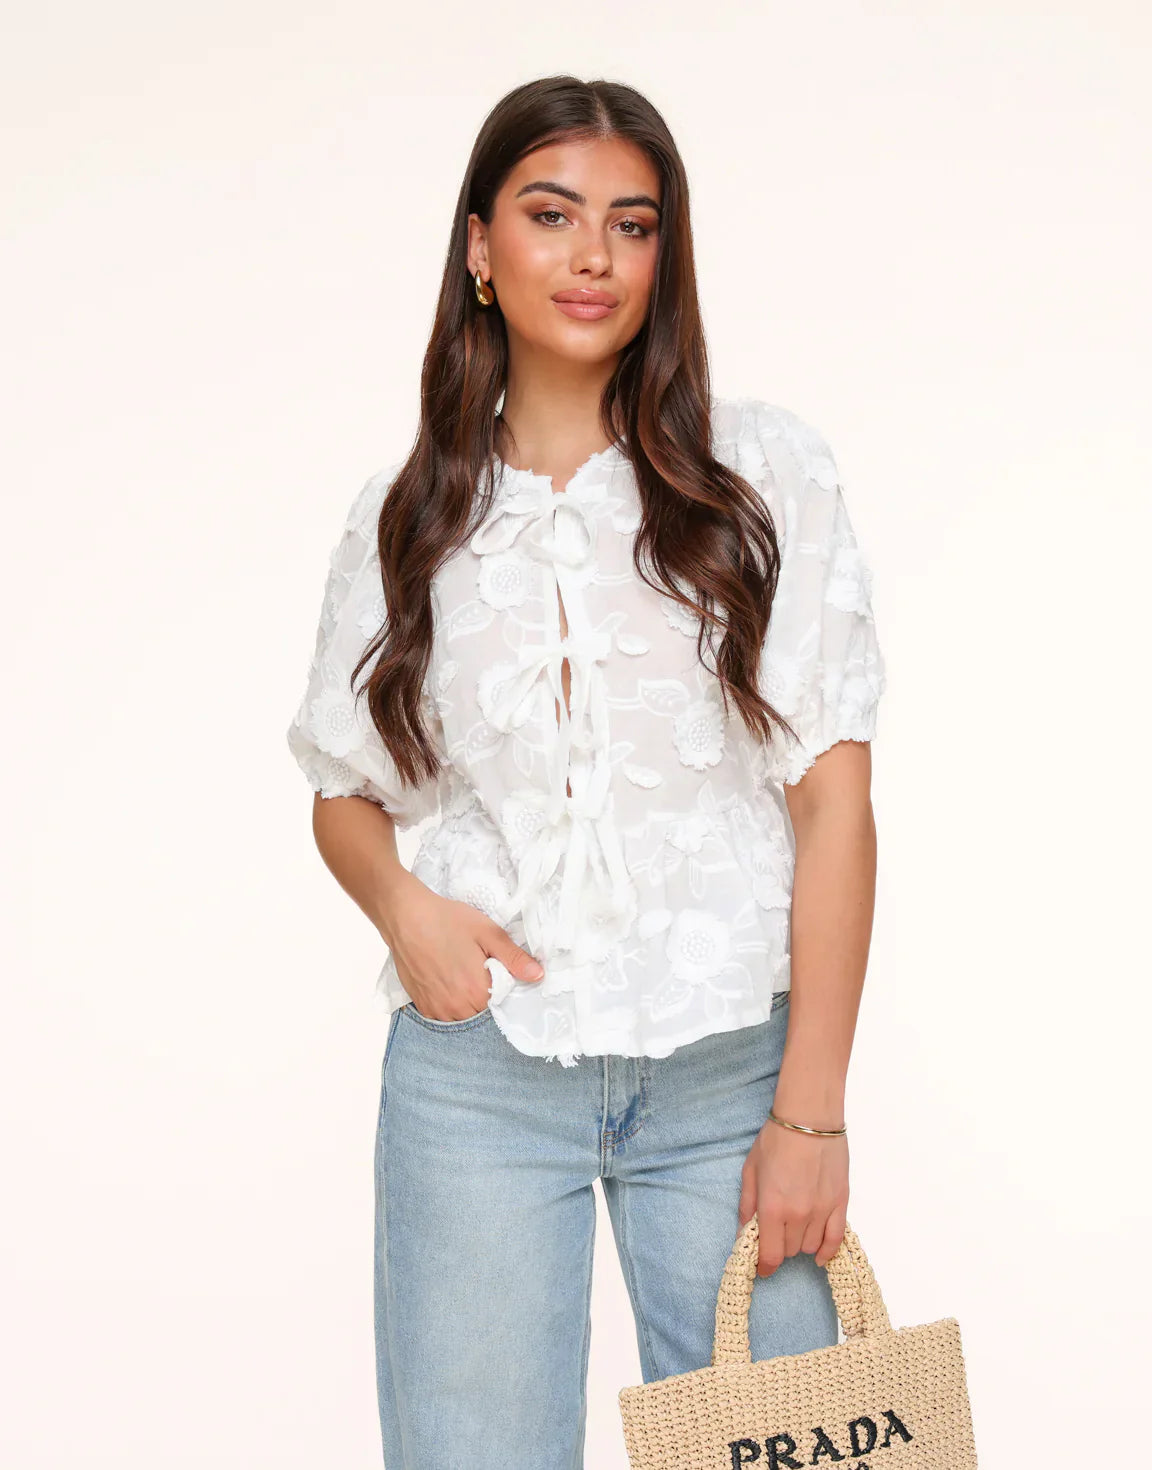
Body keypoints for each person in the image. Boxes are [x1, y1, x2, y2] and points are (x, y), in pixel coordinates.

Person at [286, 75, 886, 1470]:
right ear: (480, 248)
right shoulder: (408, 519)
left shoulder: (761, 475)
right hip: (479, 1085)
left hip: (733, 1077)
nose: (595, 257)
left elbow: (834, 800)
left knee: (792, 1447)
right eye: (551, 216)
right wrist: (405, 911)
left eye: (633, 223)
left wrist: (812, 1111)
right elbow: (342, 787)